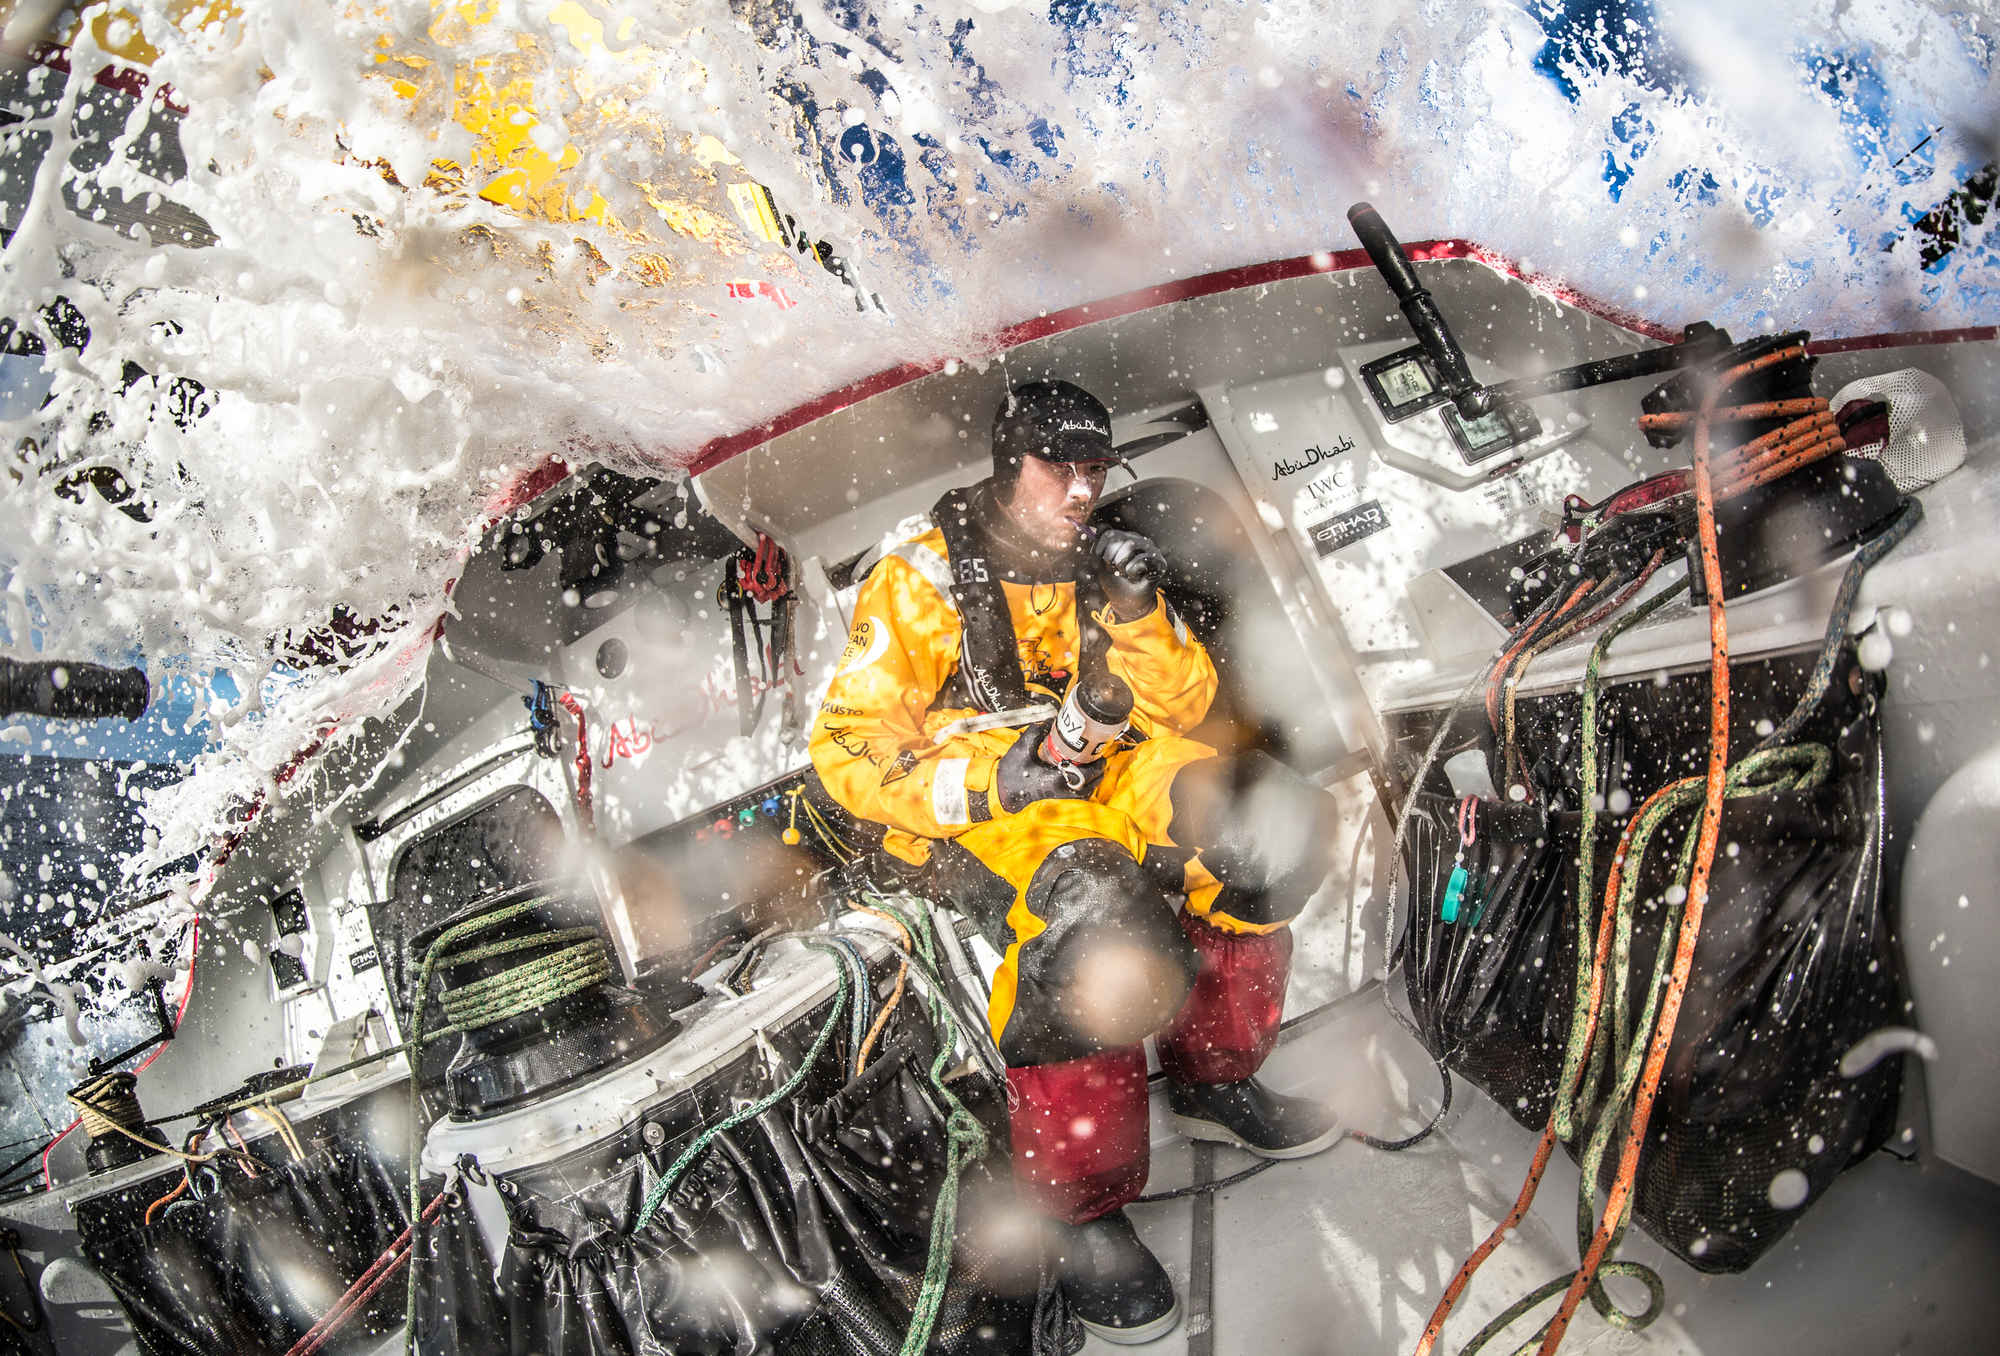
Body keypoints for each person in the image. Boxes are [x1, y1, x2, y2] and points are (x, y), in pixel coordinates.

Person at [808, 379, 1341, 1344]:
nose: (1083, 489)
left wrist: (1136, 610)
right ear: (1008, 462)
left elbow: (1184, 708)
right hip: (995, 793)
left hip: (1107, 762)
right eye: (1061, 468)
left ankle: (1215, 1080)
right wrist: (989, 781)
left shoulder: (1100, 561)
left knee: (1278, 824)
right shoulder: (920, 576)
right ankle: (1081, 1207)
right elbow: (846, 750)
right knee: (1095, 927)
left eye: (1096, 469)